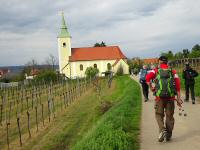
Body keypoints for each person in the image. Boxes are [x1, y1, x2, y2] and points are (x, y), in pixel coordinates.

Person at [146, 56, 183, 142]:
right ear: (167, 62)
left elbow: (147, 78)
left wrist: (151, 87)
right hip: (170, 98)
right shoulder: (173, 72)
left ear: (159, 62)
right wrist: (178, 99)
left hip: (159, 98)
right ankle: (168, 135)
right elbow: (177, 86)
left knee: (159, 115)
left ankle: (162, 130)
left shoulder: (155, 71)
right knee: (169, 117)